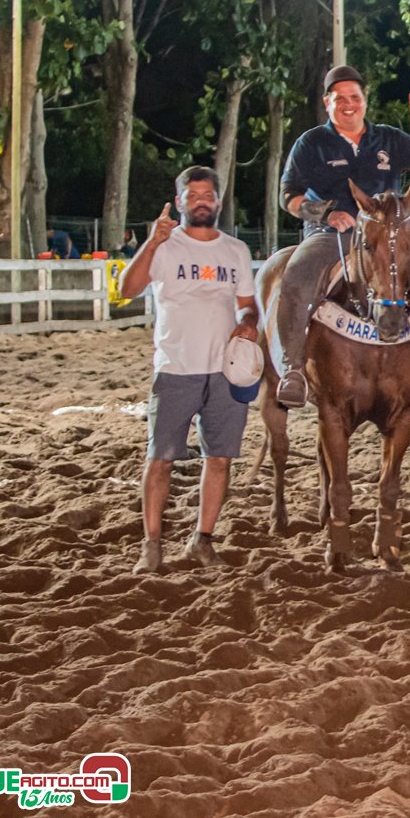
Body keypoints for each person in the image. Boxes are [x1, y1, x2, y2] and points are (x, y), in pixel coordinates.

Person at [275, 65, 410, 418]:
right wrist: (324, 214)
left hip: (386, 240)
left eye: (354, 97)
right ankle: (292, 369)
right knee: (295, 279)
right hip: (330, 236)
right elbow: (288, 196)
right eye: (339, 98)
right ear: (327, 102)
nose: (348, 104)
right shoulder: (311, 143)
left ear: (365, 102)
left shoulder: (387, 138)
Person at [119, 166, 259, 573]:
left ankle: (203, 538)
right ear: (179, 201)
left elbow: (247, 301)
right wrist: (151, 243)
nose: (201, 201)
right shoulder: (166, 245)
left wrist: (248, 320)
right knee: (160, 458)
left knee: (219, 459)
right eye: (192, 195)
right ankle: (151, 544)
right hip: (176, 367)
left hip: (225, 370)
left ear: (218, 201)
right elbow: (127, 290)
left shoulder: (235, 250)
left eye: (208, 194)